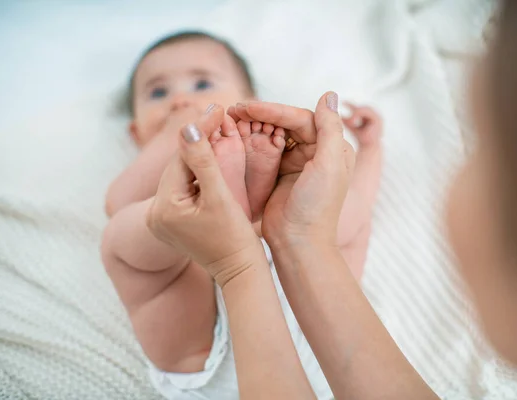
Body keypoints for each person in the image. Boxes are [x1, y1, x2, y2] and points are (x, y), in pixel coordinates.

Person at [145, 1, 517, 399]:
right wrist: (295, 236)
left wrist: (240, 266)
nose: (180, 99)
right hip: (215, 330)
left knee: (347, 220)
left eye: (487, 148)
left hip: (262, 312)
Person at [101, 30, 383, 398]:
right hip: (202, 349)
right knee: (124, 234)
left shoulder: (287, 168)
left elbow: (358, 193)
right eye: (158, 93)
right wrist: (177, 139)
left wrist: (371, 149)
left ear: (248, 104)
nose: (180, 100)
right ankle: (218, 203)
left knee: (343, 211)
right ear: (136, 134)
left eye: (202, 82)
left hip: (317, 330)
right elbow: (117, 203)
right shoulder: (146, 167)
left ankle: (237, 202)